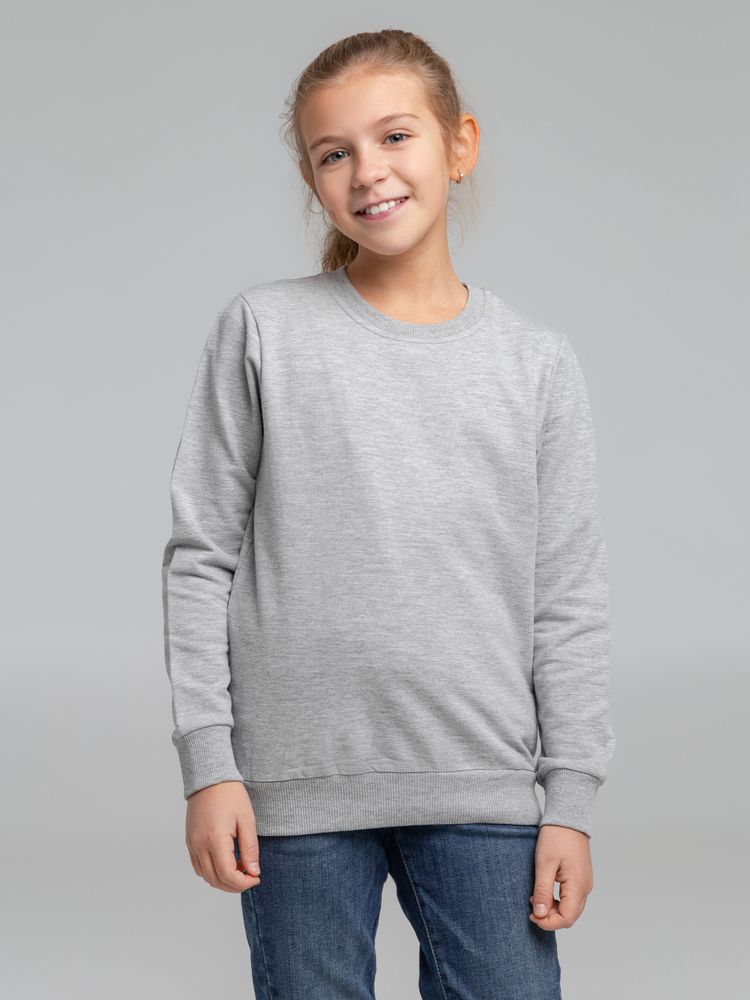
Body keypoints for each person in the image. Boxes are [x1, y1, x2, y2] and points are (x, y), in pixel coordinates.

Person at [161, 27, 615, 1000]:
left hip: (482, 780)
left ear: (460, 144)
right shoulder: (264, 330)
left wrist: (570, 800)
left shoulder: (535, 364)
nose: (368, 170)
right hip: (294, 791)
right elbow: (200, 558)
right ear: (312, 178)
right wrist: (210, 765)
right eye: (335, 153)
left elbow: (566, 598)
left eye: (396, 136)